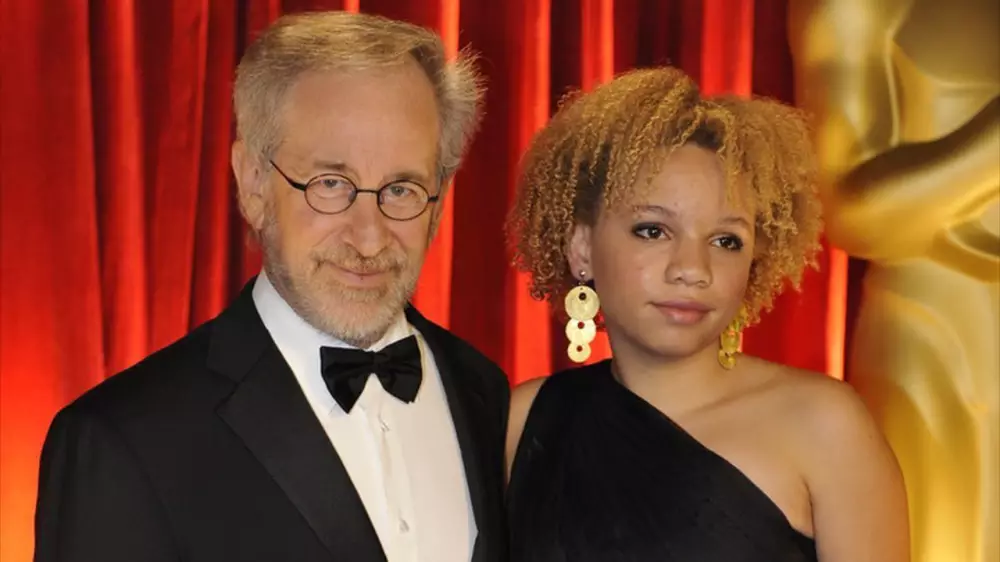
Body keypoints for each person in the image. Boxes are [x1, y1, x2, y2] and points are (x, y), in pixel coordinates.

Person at [34, 12, 509, 562]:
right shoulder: (120, 441)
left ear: (440, 199)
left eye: (402, 188)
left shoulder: (485, 395)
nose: (370, 237)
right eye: (331, 183)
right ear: (253, 183)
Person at [504, 67, 909, 561]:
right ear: (581, 248)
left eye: (726, 241)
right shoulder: (524, 421)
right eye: (653, 230)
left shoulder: (826, 426)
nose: (693, 270)